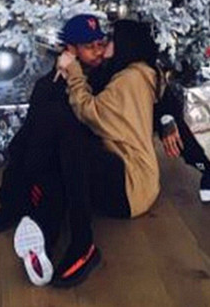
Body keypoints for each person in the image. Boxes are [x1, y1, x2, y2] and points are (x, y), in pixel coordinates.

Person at [13, 18, 163, 287]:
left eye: (107, 41)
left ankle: (81, 242)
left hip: (132, 185)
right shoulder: (127, 73)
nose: (103, 48)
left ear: (125, 44)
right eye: (93, 44)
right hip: (123, 172)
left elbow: (88, 112)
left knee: (69, 136)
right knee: (64, 148)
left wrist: (73, 72)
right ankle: (45, 234)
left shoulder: (130, 80)